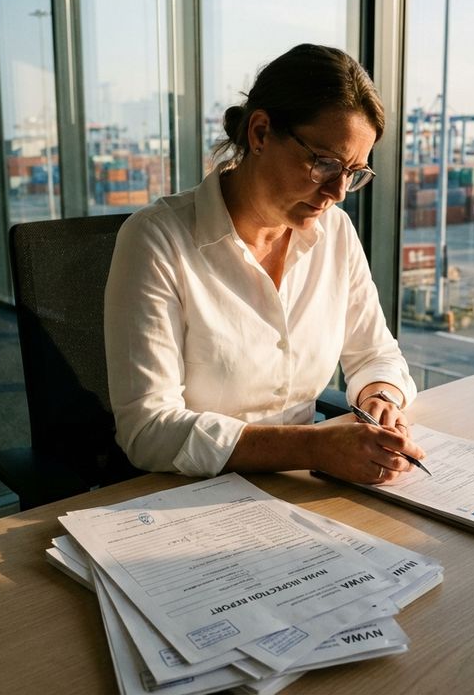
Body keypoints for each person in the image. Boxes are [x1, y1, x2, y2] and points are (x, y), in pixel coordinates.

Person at [105, 43, 424, 485]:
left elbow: (375, 353)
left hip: (303, 487)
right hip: (188, 495)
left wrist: (380, 398)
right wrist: (313, 447)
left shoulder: (336, 233)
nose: (338, 192)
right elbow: (148, 429)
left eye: (354, 172)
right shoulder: (157, 240)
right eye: (325, 164)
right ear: (259, 133)